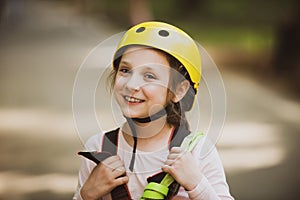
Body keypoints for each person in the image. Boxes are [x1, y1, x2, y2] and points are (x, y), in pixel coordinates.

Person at [73, 21, 234, 200]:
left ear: (179, 90)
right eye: (125, 70)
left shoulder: (197, 151)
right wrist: (86, 194)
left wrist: (196, 184)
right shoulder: (98, 148)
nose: (131, 84)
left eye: (149, 76)